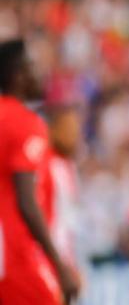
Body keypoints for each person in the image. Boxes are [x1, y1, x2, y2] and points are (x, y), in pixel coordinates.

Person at [0, 39, 80, 304]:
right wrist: (59, 264)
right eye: (33, 67)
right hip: (15, 258)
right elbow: (26, 202)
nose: (40, 74)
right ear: (18, 74)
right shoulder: (26, 124)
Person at [42, 105, 83, 272]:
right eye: (69, 129)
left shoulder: (67, 166)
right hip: (47, 261)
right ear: (53, 130)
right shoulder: (44, 164)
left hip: (64, 258)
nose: (75, 136)